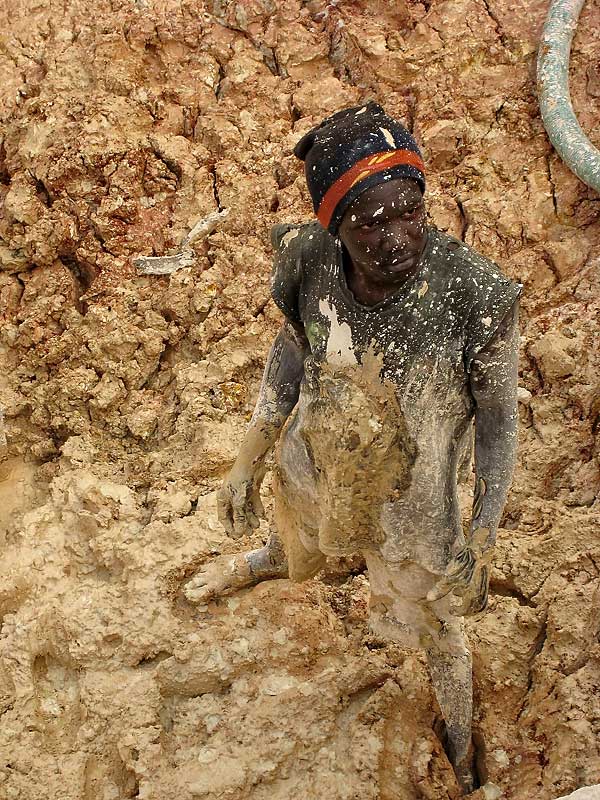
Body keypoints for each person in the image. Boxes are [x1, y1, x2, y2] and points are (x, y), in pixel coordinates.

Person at [185, 102, 521, 791]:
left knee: (436, 622)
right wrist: (246, 463)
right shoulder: (309, 260)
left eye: (410, 213)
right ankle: (273, 559)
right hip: (318, 456)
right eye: (369, 224)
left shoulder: (475, 297)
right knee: (300, 521)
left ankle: (459, 736)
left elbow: (498, 427)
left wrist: (482, 535)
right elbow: (290, 355)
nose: (397, 238)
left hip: (414, 501)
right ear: (334, 225)